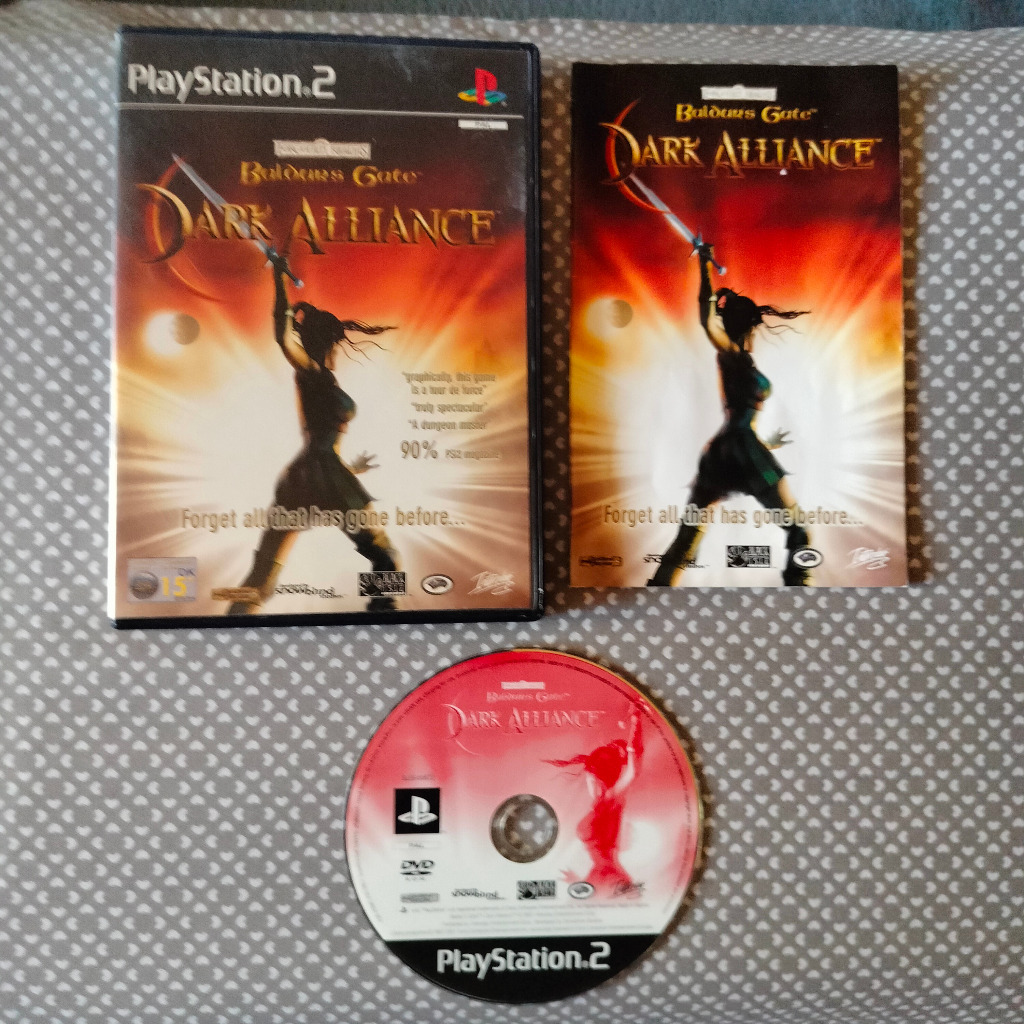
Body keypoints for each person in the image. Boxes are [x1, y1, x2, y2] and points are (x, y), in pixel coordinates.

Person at [228, 253, 401, 614]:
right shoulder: (311, 372)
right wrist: (279, 279)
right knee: (385, 558)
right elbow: (282, 336)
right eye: (334, 341)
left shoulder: (321, 378)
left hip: (311, 475)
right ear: (326, 343)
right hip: (323, 474)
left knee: (261, 579)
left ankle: (231, 623)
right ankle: (382, 618)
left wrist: (350, 469)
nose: (337, 346)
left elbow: (321, 444)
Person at [647, 241, 814, 587]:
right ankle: (802, 593)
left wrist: (767, 443)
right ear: (748, 328)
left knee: (688, 540)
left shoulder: (739, 360)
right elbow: (707, 320)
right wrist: (704, 267)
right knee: (797, 531)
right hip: (740, 449)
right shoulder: (731, 354)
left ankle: (658, 591)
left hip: (730, 450)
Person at [548, 707, 643, 893]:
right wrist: (577, 881)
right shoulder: (601, 805)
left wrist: (636, 721)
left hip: (609, 877)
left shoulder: (611, 799)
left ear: (599, 779)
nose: (588, 783)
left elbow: (633, 769)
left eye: (590, 779)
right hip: (601, 876)